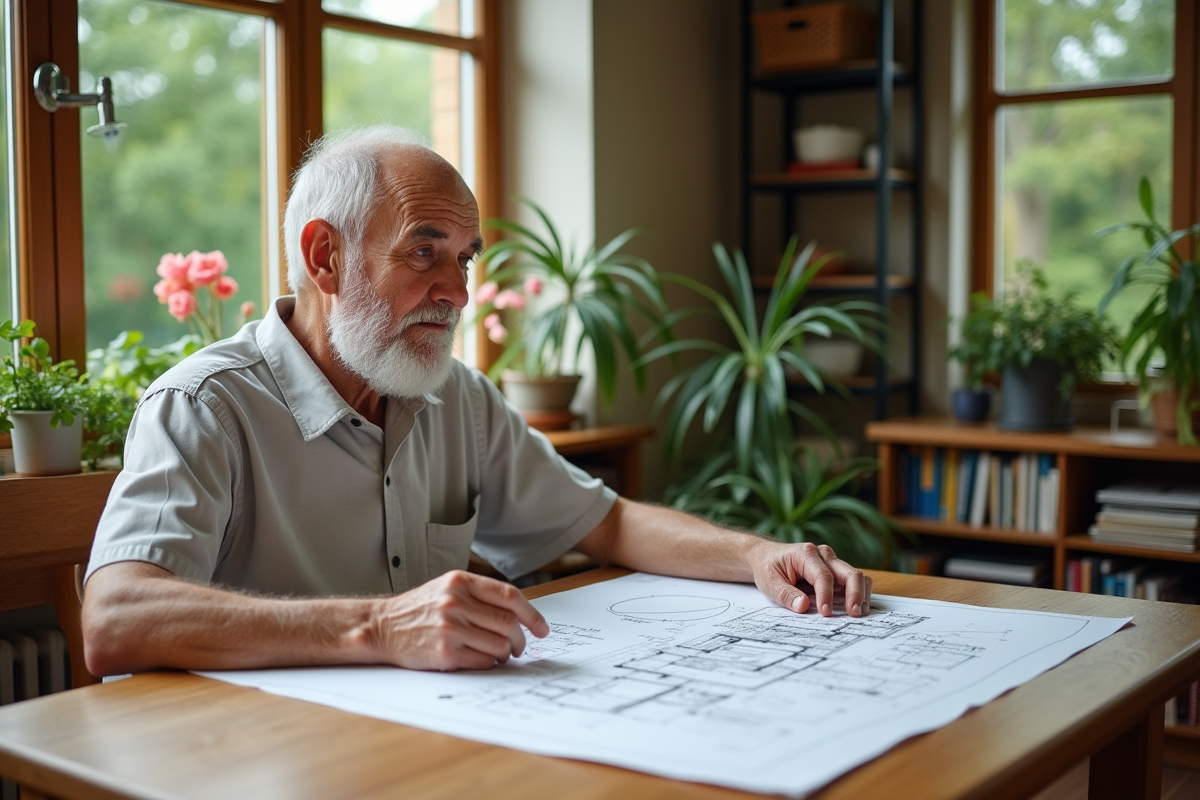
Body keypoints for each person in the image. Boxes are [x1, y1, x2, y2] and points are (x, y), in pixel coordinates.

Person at [81, 126, 872, 677]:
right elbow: (115, 620)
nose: (457, 292)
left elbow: (608, 522)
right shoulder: (203, 407)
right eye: (425, 250)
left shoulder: (455, 397)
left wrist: (756, 556)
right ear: (325, 258)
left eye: (465, 259)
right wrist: (380, 628)